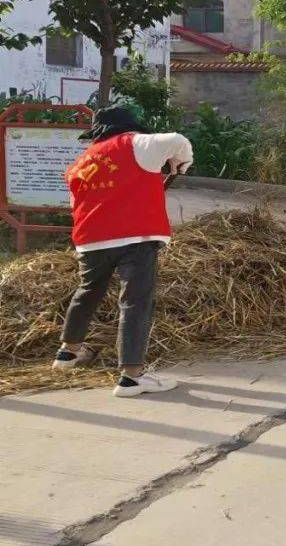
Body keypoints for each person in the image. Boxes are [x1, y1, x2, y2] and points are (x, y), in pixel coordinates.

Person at [52, 106, 194, 397]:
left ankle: (68, 353)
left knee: (88, 291)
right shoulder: (135, 142)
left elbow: (74, 204)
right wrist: (182, 161)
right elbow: (178, 139)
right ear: (128, 126)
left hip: (90, 239)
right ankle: (131, 377)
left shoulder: (81, 162)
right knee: (134, 301)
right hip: (135, 237)